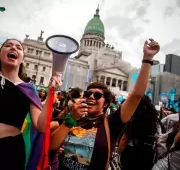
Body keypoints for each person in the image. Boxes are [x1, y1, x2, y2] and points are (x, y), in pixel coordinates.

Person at [50, 38, 160, 170]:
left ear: (106, 102)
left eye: (97, 95)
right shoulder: (72, 119)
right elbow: (51, 146)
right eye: (87, 93)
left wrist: (147, 58)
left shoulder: (111, 124)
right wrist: (70, 120)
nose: (91, 96)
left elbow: (136, 96)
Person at [0, 39, 61, 170]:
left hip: (10, 150)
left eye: (18, 47)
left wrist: (51, 91)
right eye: (8, 45)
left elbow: (40, 126)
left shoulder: (28, 89)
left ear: (22, 59)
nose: (13, 48)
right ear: (0, 54)